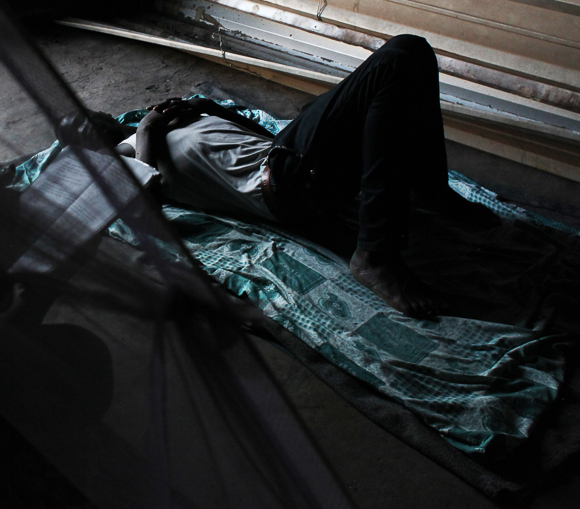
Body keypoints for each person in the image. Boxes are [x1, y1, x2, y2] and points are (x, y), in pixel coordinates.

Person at [128, 34, 499, 320]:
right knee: (394, 64)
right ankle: (374, 254)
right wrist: (147, 128)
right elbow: (144, 203)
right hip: (284, 186)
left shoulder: (161, 126)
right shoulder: (124, 152)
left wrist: (207, 109)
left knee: (412, 52)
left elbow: (264, 139)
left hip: (293, 160)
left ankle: (432, 192)